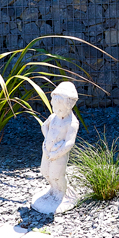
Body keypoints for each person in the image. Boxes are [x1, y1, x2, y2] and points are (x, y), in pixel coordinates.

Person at [31, 81, 79, 214]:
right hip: (46, 150)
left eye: (60, 109)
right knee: (45, 171)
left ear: (69, 107)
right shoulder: (53, 117)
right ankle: (52, 190)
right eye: (54, 108)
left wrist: (58, 152)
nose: (56, 111)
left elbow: (69, 142)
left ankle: (61, 193)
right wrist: (46, 139)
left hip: (59, 154)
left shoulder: (72, 123)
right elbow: (44, 126)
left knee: (56, 174)